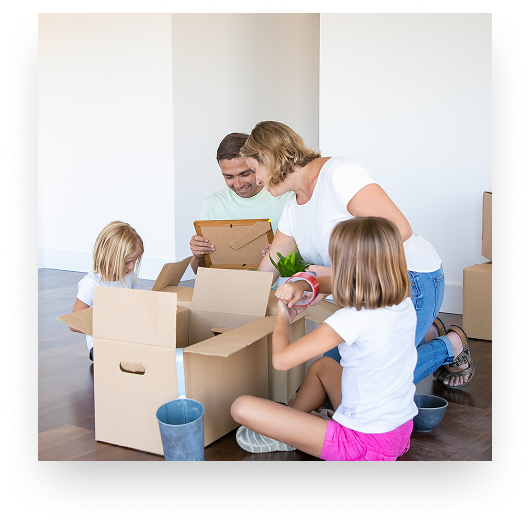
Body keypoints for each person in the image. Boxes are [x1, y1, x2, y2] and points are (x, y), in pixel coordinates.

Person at [240, 121, 475, 389]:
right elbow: (268, 269)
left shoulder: (337, 174)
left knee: (373, 384)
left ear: (268, 156)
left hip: (408, 280)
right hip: (363, 291)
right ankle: (426, 330)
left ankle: (451, 345)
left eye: (254, 170)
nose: (255, 180)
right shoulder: (293, 210)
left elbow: (399, 230)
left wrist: (335, 273)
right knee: (330, 378)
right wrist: (235, 307)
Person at [231, 217, 418, 460]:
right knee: (323, 366)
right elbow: (337, 283)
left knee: (241, 407)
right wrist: (304, 284)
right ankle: (294, 425)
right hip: (397, 432)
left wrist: (283, 317)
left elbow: (282, 360)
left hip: (362, 443)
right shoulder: (403, 302)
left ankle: (291, 432)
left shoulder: (353, 319)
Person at [189, 132, 292, 274]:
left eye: (245, 174)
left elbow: (308, 261)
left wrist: (282, 256)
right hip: (230, 285)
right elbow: (199, 272)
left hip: (280, 285)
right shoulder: (213, 203)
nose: (238, 184)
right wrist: (198, 255)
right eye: (229, 177)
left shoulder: (286, 197)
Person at [69, 220, 144, 361]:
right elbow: (73, 324)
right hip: (100, 345)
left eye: (135, 261)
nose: (132, 267)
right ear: (110, 257)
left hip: (125, 338)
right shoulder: (91, 283)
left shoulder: (128, 275)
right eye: (127, 262)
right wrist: (105, 329)